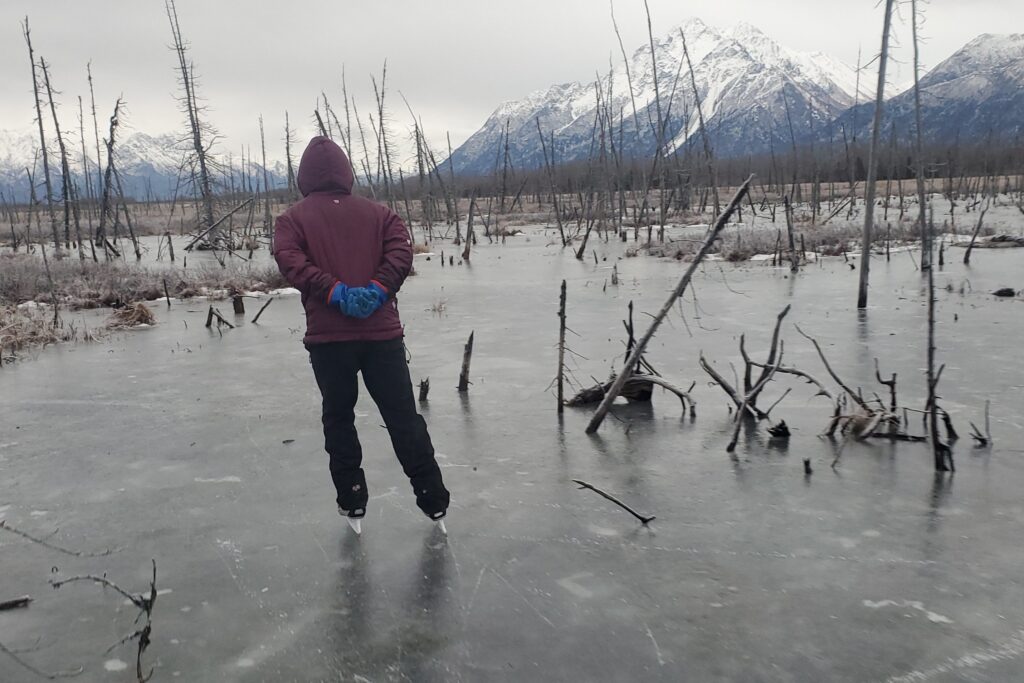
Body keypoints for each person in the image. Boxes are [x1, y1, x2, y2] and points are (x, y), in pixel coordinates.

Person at [273, 136, 449, 534]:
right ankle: (433, 499)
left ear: (304, 177)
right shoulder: (381, 214)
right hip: (381, 336)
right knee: (403, 416)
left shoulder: (292, 219)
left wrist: (331, 290)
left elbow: (289, 260)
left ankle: (352, 501)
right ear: (346, 172)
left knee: (339, 418)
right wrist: (379, 288)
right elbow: (401, 254)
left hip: (329, 341)